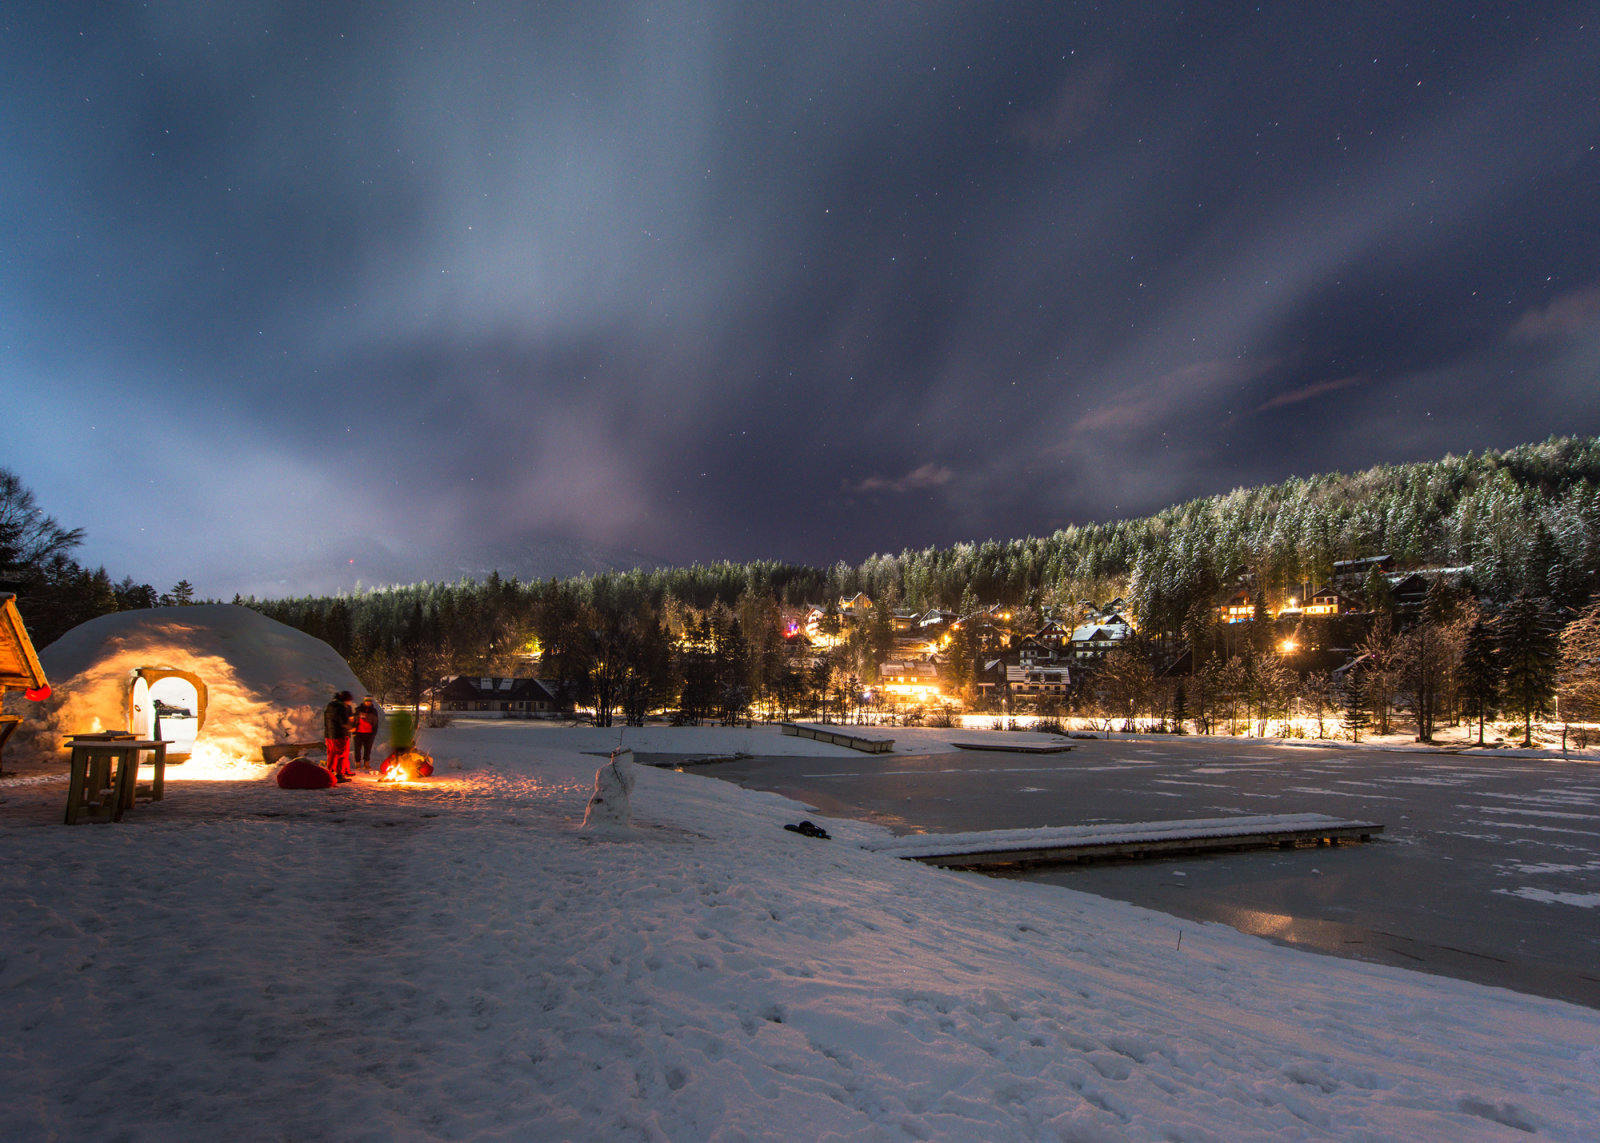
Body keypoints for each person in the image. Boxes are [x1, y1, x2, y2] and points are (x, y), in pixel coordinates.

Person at [323, 690, 354, 784]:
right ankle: (339, 775)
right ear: (346, 700)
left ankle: (331, 771)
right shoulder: (341, 707)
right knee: (341, 754)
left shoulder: (331, 705)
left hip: (329, 734)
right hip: (340, 734)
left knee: (332, 753)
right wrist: (351, 727)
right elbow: (343, 722)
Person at [352, 696, 381, 771]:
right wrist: (354, 730)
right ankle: (358, 763)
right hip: (359, 733)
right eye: (367, 701)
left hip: (369, 733)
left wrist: (374, 732)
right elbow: (354, 720)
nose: (368, 702)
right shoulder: (358, 710)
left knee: (368, 749)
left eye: (370, 701)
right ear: (364, 701)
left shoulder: (374, 711)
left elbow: (376, 722)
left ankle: (366, 763)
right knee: (357, 749)